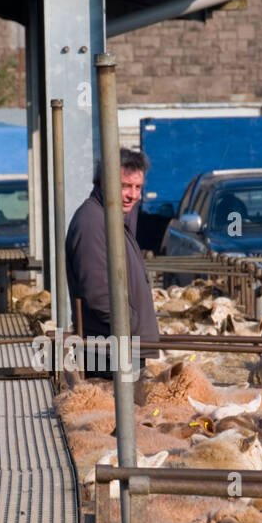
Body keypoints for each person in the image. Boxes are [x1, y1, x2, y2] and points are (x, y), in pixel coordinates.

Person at [64, 148, 160, 380]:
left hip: (121, 344)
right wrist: (133, 325)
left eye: (138, 187)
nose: (133, 195)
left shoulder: (111, 218)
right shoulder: (92, 222)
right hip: (109, 348)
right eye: (125, 186)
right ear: (104, 181)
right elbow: (98, 293)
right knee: (113, 414)